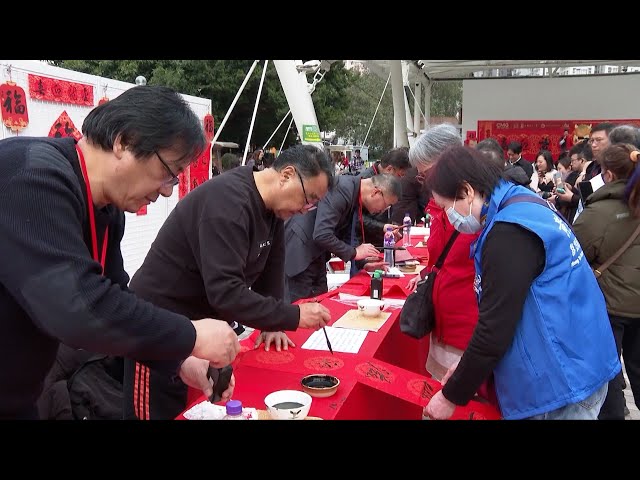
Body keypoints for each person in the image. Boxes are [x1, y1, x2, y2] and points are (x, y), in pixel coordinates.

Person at [0, 85, 241, 419]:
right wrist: (192, 335)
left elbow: (114, 304)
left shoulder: (106, 208)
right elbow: (77, 308)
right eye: (167, 173)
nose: (166, 191)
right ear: (124, 141)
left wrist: (182, 360)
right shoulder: (32, 174)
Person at [123, 144, 334, 420]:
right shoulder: (229, 202)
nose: (307, 210)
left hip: (201, 329)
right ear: (287, 175)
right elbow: (226, 293)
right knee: (157, 411)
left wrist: (273, 322)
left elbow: (272, 270)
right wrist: (292, 315)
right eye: (309, 198)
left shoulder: (273, 209)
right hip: (156, 323)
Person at [422, 145, 620, 420]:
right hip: (577, 356)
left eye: (446, 207)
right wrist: (468, 367)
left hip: (564, 381)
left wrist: (450, 396)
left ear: (467, 191)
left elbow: (494, 328)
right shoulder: (520, 202)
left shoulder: (508, 232)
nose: (448, 216)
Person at [573, 143, 640, 420]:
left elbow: (573, 254)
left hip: (609, 306)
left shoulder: (598, 213)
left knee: (608, 373)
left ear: (608, 175)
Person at [285, 173, 401, 303]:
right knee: (302, 309)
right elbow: (322, 234)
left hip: (317, 254)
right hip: (300, 253)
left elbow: (347, 233)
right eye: (386, 205)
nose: (382, 211)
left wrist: (363, 263)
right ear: (376, 192)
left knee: (320, 305)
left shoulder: (354, 192)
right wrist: (355, 252)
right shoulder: (342, 189)